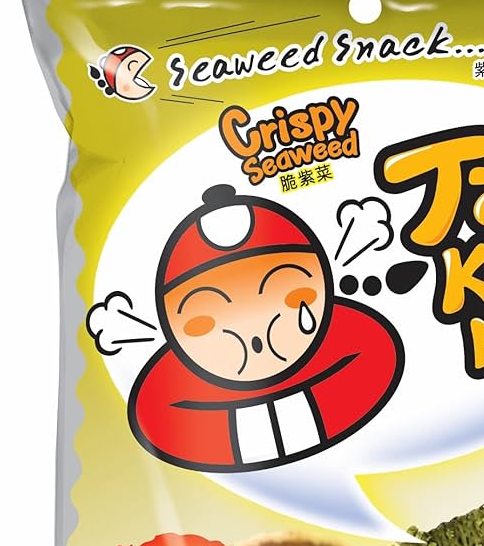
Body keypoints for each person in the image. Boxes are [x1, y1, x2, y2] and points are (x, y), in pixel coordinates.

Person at [129, 185, 403, 471]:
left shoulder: (353, 336)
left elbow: (377, 360)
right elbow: (160, 424)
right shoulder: (173, 387)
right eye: (203, 323)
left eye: (292, 295)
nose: (255, 338)